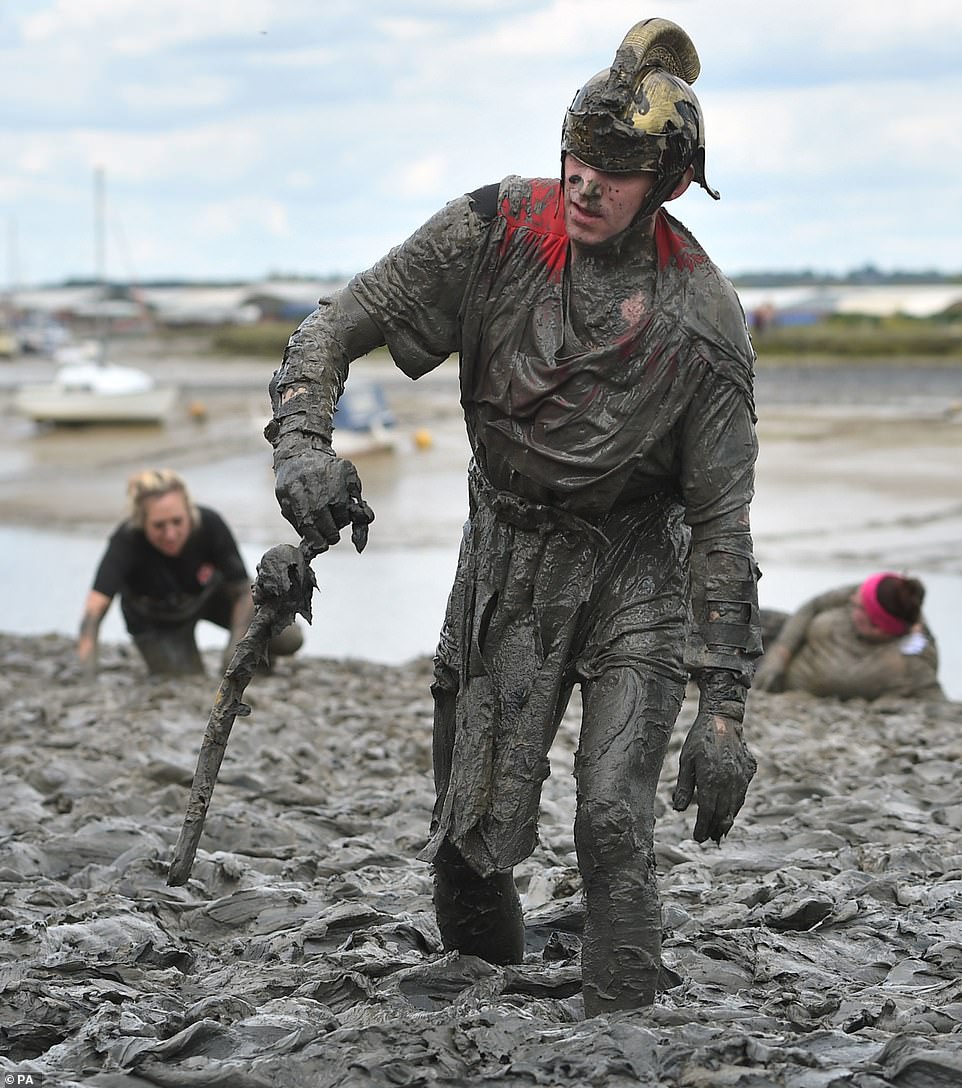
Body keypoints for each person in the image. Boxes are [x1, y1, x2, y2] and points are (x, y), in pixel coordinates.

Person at [266, 17, 761, 1015]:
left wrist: (722, 713)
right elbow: (333, 323)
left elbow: (720, 526)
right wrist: (302, 443)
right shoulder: (490, 229)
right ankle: (484, 963)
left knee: (613, 812)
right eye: (576, 156)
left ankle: (622, 1006)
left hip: (636, 564)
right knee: (467, 824)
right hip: (505, 549)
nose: (585, 183)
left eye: (615, 169)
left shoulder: (702, 323)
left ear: (665, 180)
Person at [77, 468, 303, 677]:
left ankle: (260, 660)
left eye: (177, 522)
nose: (170, 534)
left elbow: (243, 591)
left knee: (289, 637)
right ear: (142, 521)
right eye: (159, 526)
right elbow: (92, 615)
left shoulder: (210, 524)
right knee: (185, 680)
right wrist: (88, 678)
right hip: (156, 619)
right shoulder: (125, 542)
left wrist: (235, 651)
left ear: (189, 512)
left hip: (209, 596)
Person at [754, 572, 945, 701]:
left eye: (859, 606)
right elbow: (813, 606)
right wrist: (781, 653)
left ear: (878, 628)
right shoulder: (865, 592)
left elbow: (934, 698)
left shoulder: (909, 664)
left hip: (784, 684)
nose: (852, 599)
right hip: (781, 640)